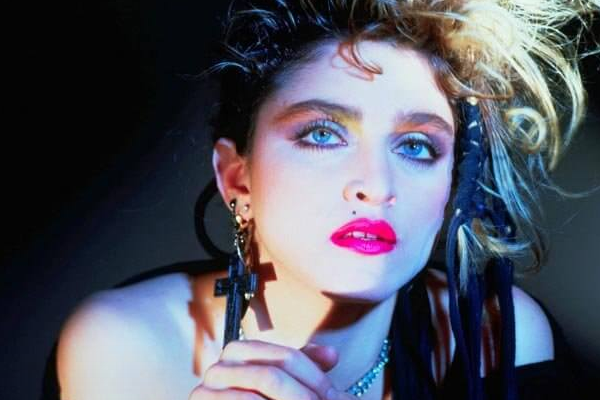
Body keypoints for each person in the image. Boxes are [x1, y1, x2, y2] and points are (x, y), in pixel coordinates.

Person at [48, 1, 598, 400]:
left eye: (415, 146)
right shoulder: (128, 346)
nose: (375, 185)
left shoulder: (495, 335)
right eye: (321, 134)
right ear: (238, 180)